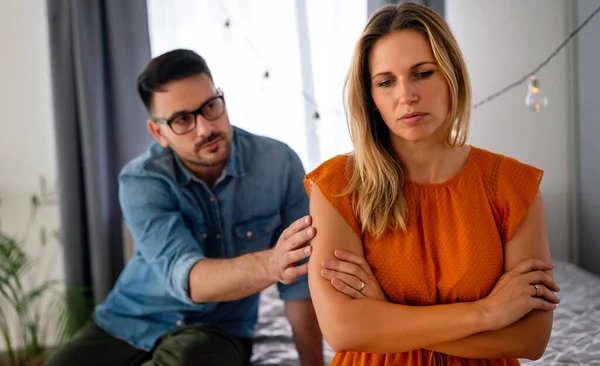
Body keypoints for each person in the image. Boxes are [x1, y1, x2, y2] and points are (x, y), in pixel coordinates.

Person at [304, 3, 559, 365]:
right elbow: (344, 331)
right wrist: (487, 313)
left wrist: (385, 318)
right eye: (386, 81)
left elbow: (530, 339)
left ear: (451, 74)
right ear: (371, 97)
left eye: (422, 73)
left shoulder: (514, 187)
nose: (406, 95)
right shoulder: (337, 187)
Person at [45, 49, 324, 366]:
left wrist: (313, 364)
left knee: (187, 360)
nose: (205, 128)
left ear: (222, 99)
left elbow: (300, 283)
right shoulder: (141, 181)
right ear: (158, 132)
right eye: (182, 120)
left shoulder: (279, 164)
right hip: (128, 320)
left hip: (217, 332)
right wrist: (272, 264)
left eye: (210, 107)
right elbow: (188, 278)